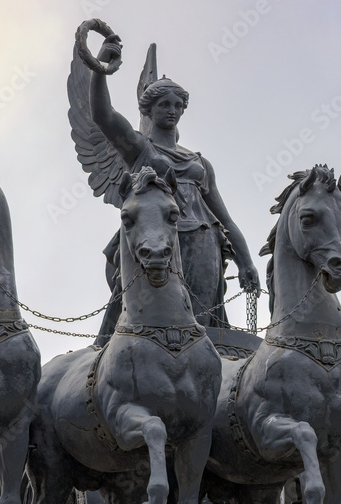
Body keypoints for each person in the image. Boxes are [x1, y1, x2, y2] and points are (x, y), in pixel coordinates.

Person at [88, 34, 259, 342]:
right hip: (159, 239)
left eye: (178, 105)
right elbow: (104, 116)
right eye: (164, 104)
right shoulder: (140, 149)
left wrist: (245, 260)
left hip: (204, 243)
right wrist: (100, 69)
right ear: (149, 110)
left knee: (203, 326)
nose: (172, 110)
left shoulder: (199, 163)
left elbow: (225, 218)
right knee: (149, 320)